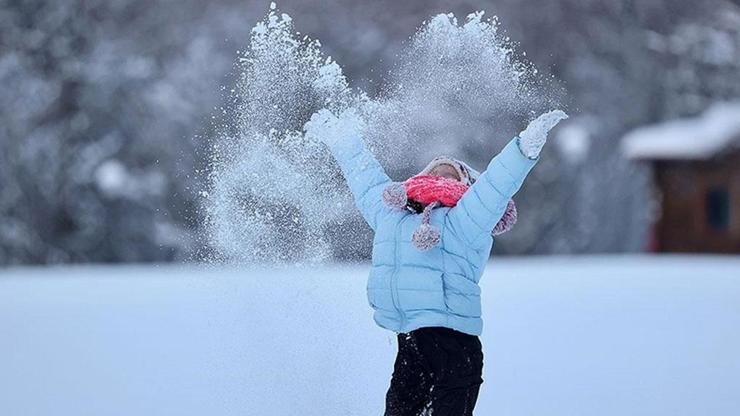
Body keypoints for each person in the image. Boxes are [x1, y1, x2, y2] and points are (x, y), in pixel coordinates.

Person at [304, 108, 567, 416]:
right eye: (436, 171)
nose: (442, 175)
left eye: (452, 173)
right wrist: (341, 139)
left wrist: (523, 148)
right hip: (411, 341)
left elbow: (496, 185)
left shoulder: (467, 218)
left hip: (455, 346)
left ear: (468, 186)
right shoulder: (393, 213)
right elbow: (365, 177)